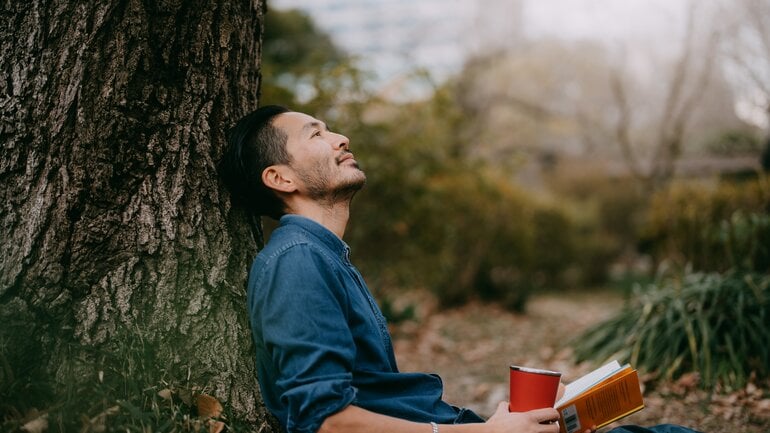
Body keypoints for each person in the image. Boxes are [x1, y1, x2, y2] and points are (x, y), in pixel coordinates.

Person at [219, 105, 701, 433]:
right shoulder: (297, 260)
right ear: (280, 178)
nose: (340, 137)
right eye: (316, 134)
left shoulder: (321, 254)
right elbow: (322, 421)